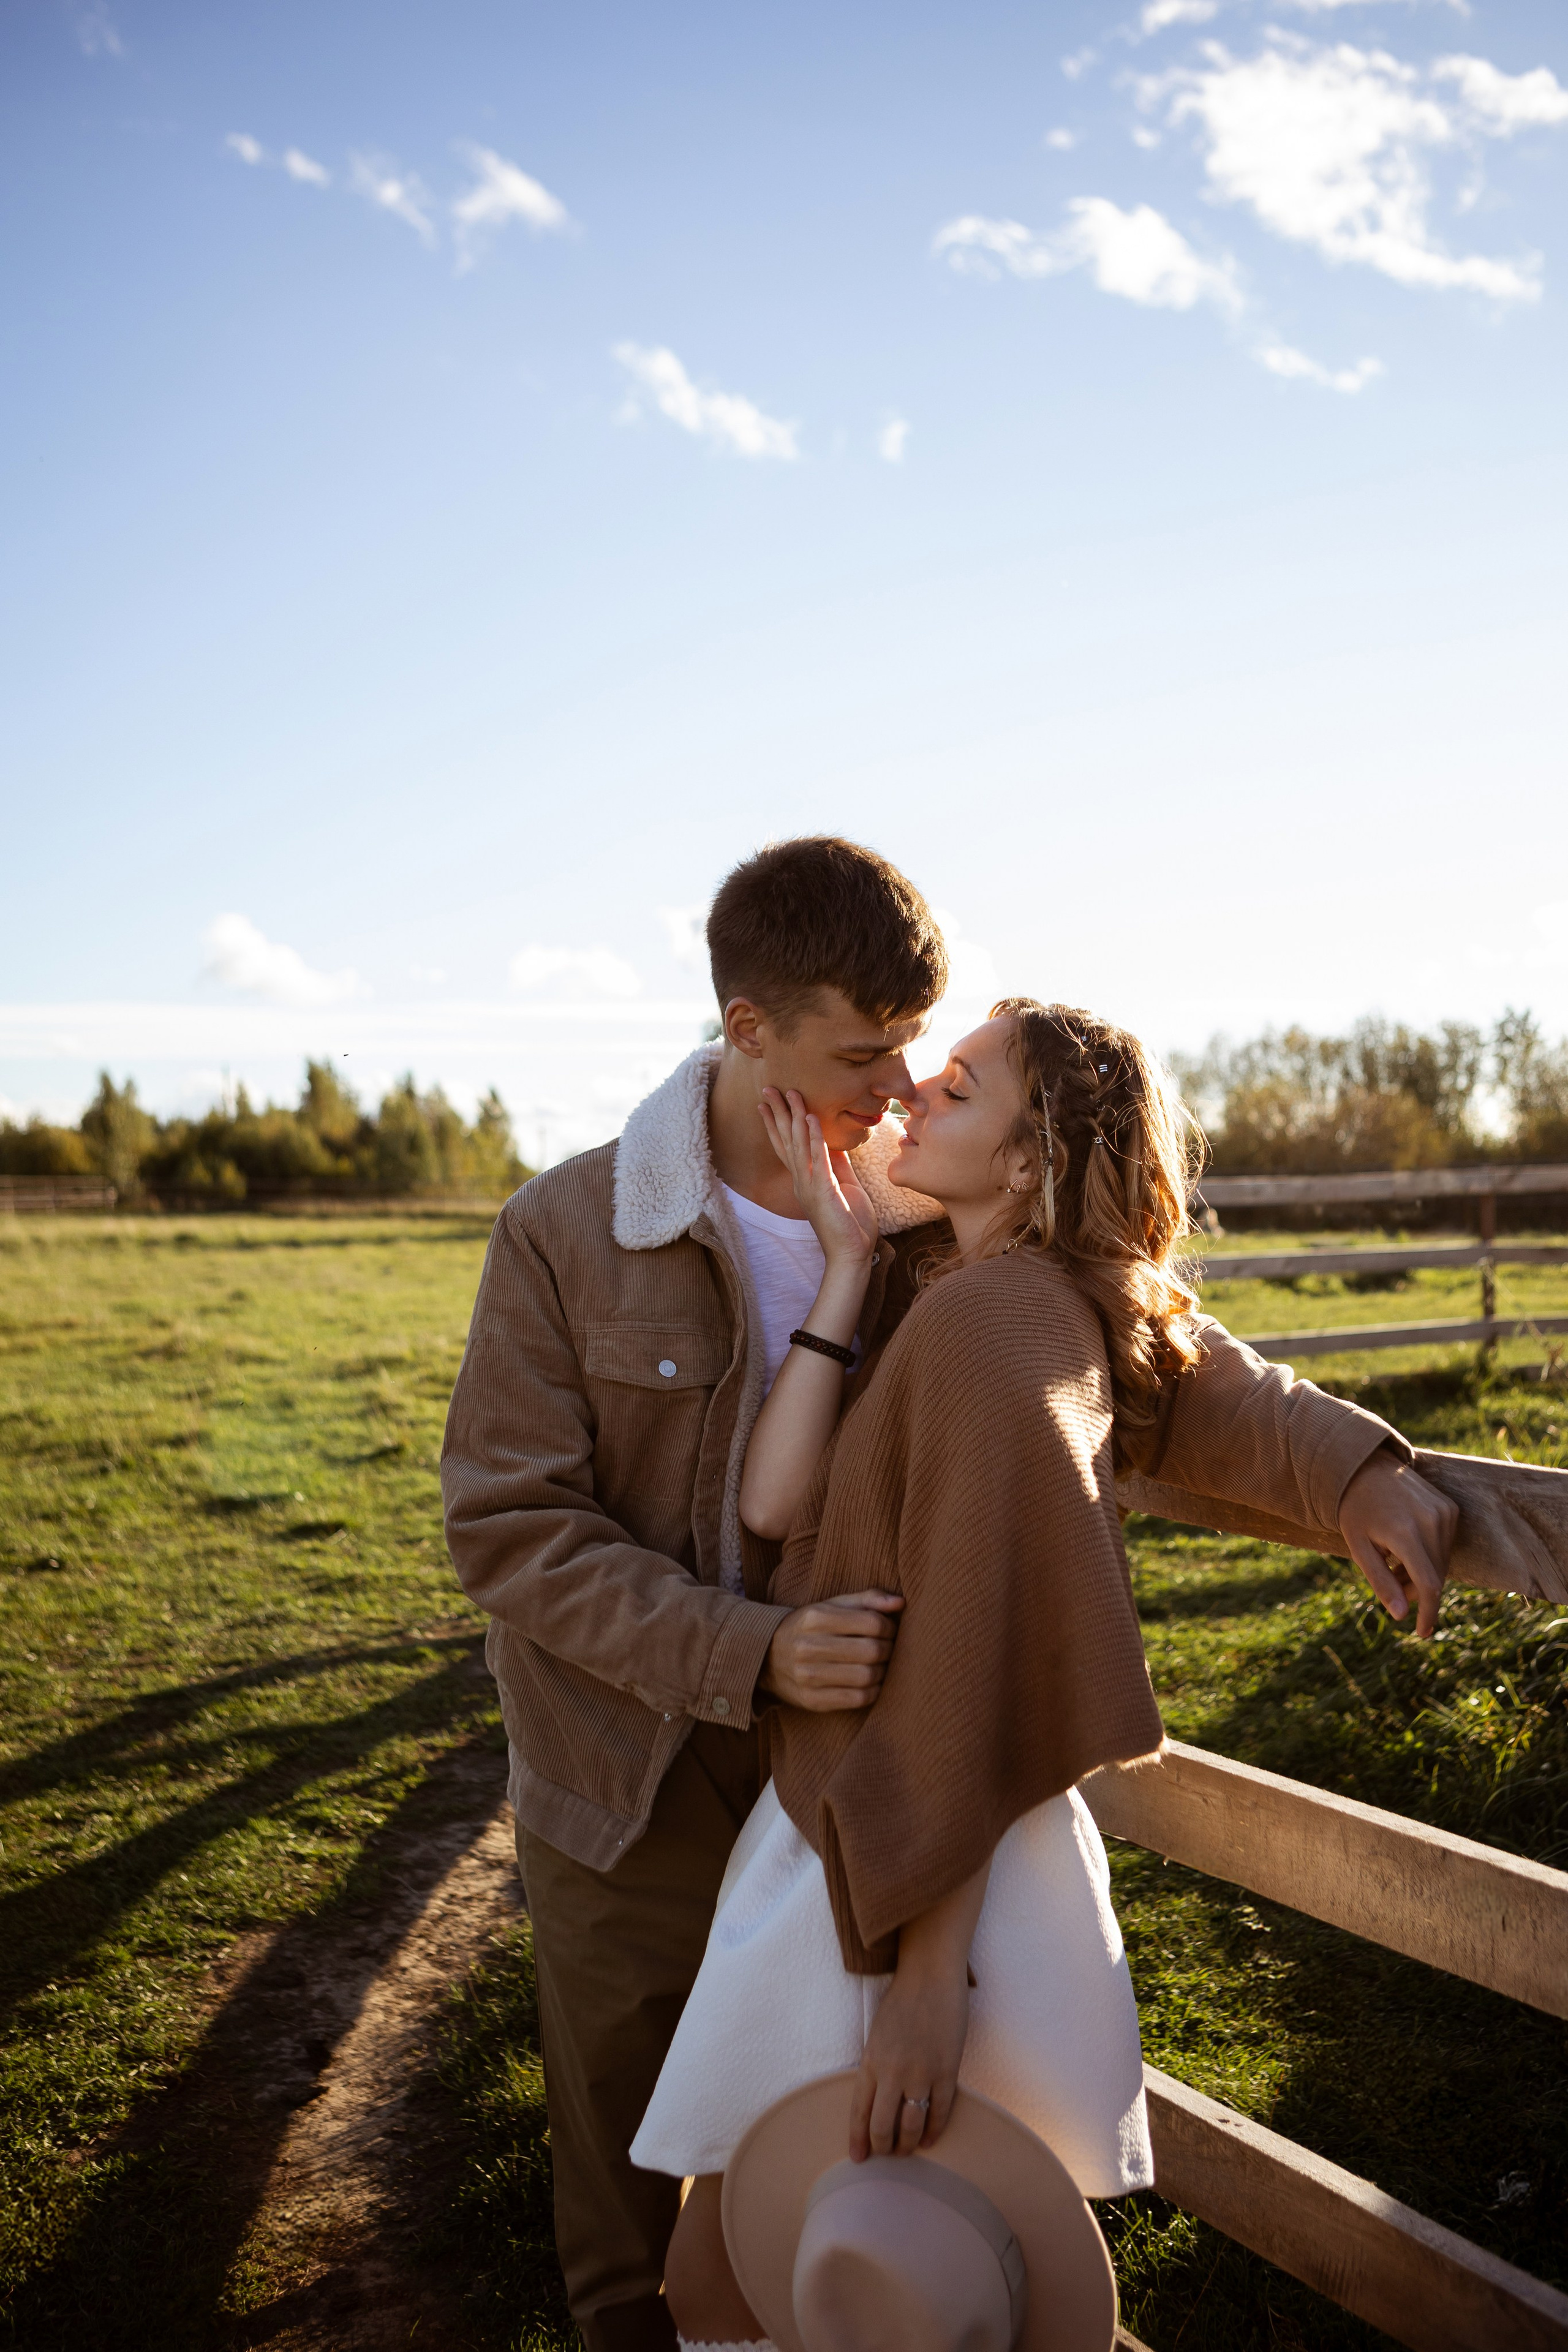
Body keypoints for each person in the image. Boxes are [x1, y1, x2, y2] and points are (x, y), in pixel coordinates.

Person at [440, 837, 1456, 2352]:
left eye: (918, 1046)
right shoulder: (574, 1233)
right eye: (864, 1051)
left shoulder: (929, 1208)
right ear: (746, 1032)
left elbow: (1159, 1349)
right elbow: (513, 1531)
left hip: (862, 1767)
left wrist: (1355, 1467)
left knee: (839, 2177)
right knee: (637, 2198)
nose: (897, 1080)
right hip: (633, 1774)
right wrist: (754, 1651)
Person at [639, 1001, 1233, 2347]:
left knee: (746, 2271)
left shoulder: (993, 1330)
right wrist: (847, 1265)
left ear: (1025, 1164)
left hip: (914, 1843)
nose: (909, 1096)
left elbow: (973, 1654)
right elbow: (779, 1502)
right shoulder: (943, 1289)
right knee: (802, 2250)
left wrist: (924, 1981)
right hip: (869, 1815)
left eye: (953, 1091)